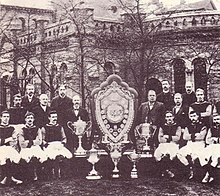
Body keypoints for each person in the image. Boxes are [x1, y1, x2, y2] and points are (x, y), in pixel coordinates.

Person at [42, 111, 72, 179]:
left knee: (64, 156)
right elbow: (42, 140)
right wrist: (47, 145)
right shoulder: (44, 128)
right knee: (53, 156)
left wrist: (62, 144)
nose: (54, 119)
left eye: (55, 117)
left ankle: (63, 173)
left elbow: (64, 138)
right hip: (49, 146)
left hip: (59, 145)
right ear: (49, 118)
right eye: (53, 117)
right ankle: (54, 172)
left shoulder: (60, 127)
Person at [177, 111, 207, 180]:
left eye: (194, 116)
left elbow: (201, 137)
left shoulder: (203, 125)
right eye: (191, 116)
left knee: (196, 156)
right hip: (190, 144)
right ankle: (189, 167)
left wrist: (190, 136)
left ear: (198, 116)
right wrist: (195, 135)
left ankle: (198, 173)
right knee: (179, 153)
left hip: (199, 144)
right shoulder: (188, 126)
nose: (193, 118)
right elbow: (185, 137)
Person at [19, 112, 47, 182]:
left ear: (34, 119)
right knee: (26, 157)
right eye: (28, 118)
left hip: (35, 148)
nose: (30, 120)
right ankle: (29, 175)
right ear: (25, 119)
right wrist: (33, 142)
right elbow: (22, 143)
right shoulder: (22, 129)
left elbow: (39, 141)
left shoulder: (37, 129)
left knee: (39, 156)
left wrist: (28, 142)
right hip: (26, 149)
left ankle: (36, 173)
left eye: (31, 118)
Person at [154, 111, 181, 178]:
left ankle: (165, 171)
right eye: (167, 117)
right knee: (157, 154)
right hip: (163, 144)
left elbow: (177, 138)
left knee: (170, 154)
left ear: (173, 117)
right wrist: (171, 138)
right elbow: (160, 139)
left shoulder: (177, 126)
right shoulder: (162, 127)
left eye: (170, 116)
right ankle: (167, 171)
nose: (169, 118)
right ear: (165, 118)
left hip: (173, 144)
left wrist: (168, 137)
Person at [0, 111, 23, 185]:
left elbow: (14, 141)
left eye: (7, 117)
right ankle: (10, 178)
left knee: (16, 157)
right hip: (0, 148)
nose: (6, 118)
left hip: (9, 147)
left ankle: (8, 178)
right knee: (3, 157)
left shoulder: (12, 128)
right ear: (0, 117)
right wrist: (8, 139)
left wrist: (8, 140)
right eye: (4, 116)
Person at [200, 114, 220, 183]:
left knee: (216, 157)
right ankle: (211, 174)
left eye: (218, 119)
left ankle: (208, 175)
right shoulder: (211, 129)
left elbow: (212, 139)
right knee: (202, 155)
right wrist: (212, 139)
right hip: (212, 146)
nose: (216, 121)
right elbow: (207, 140)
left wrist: (216, 139)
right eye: (215, 119)